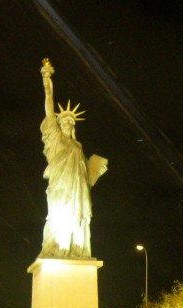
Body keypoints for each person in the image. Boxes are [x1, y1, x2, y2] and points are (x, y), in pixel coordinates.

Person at [39, 58, 108, 259]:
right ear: (59, 125)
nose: (68, 123)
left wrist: (94, 167)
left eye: (71, 122)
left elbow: (84, 174)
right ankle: (57, 248)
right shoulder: (55, 138)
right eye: (64, 121)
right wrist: (47, 82)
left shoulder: (77, 146)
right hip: (60, 188)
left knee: (77, 219)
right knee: (57, 218)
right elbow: (49, 107)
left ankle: (78, 249)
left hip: (77, 192)